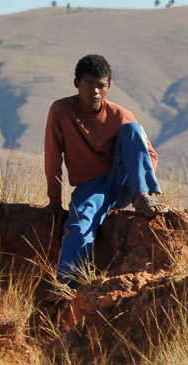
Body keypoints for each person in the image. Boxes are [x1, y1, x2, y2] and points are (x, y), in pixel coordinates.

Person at [44, 54, 165, 282]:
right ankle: (68, 287)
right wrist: (54, 201)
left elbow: (150, 154)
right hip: (91, 189)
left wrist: (140, 184)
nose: (95, 91)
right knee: (79, 228)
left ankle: (143, 197)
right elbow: (52, 156)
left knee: (132, 130)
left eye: (101, 86)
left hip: (124, 184)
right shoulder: (61, 111)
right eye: (89, 84)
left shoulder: (121, 116)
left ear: (108, 87)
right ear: (76, 84)